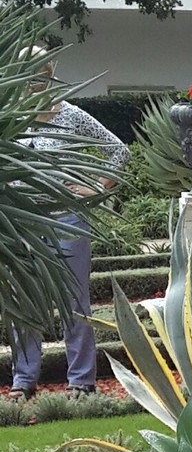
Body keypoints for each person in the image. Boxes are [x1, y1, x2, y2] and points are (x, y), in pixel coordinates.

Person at [9, 86, 129, 400]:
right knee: (23, 301)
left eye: (39, 75)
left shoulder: (71, 115)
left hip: (67, 219)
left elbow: (118, 151)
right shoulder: (12, 116)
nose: (32, 83)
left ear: (48, 77)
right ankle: (23, 381)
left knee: (75, 300)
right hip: (22, 221)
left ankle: (81, 381)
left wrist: (97, 188)